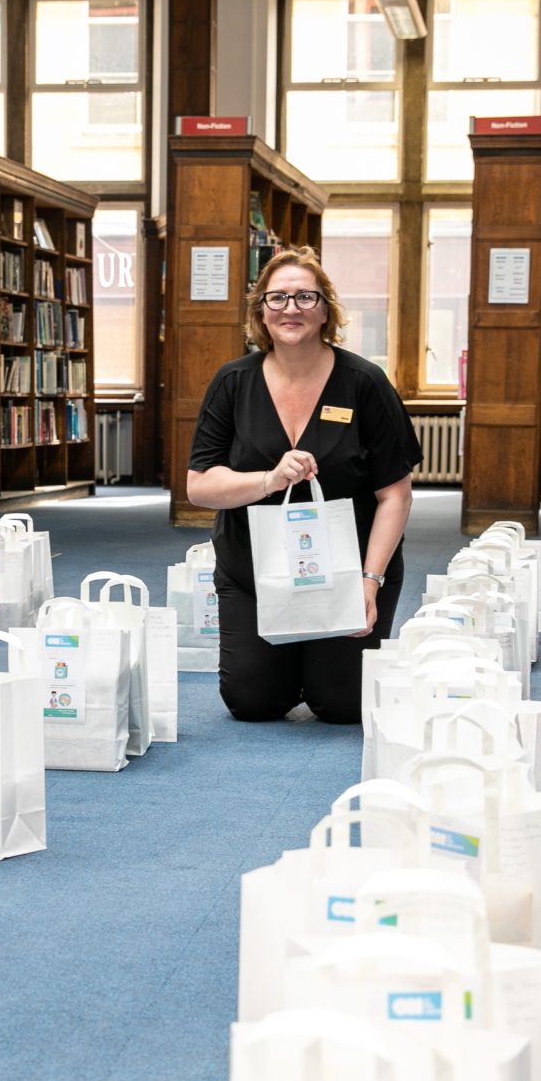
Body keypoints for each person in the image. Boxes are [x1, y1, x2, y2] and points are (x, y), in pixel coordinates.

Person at [186, 247, 419, 724]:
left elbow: (395, 494)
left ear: (326, 310)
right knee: (254, 702)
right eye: (277, 298)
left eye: (305, 297)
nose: (290, 308)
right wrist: (268, 480)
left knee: (341, 706)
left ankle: (319, 661)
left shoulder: (365, 383)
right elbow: (200, 485)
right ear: (261, 312)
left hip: (348, 571)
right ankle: (288, 662)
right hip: (255, 571)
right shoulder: (232, 382)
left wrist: (369, 582)